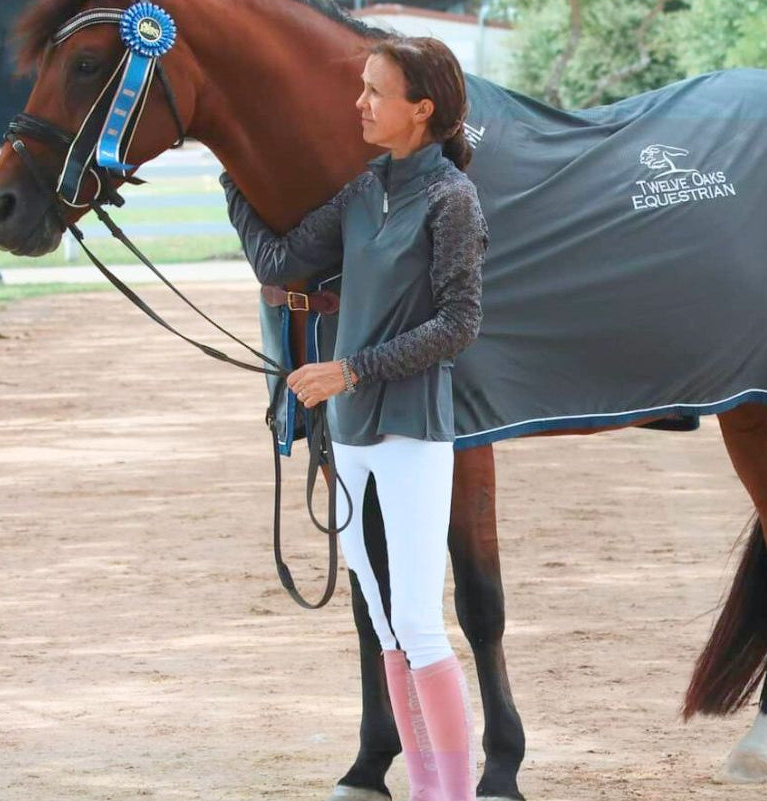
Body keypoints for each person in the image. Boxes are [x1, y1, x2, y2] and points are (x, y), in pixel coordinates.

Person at [221, 36, 487, 801]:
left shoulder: (451, 200)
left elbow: (459, 324)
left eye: (376, 91)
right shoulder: (364, 191)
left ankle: (453, 794)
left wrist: (350, 369)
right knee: (381, 615)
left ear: (421, 109)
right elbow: (279, 263)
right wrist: (231, 170)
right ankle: (426, 786)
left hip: (409, 432)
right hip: (349, 433)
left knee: (418, 620)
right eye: (362, 87)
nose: (360, 104)